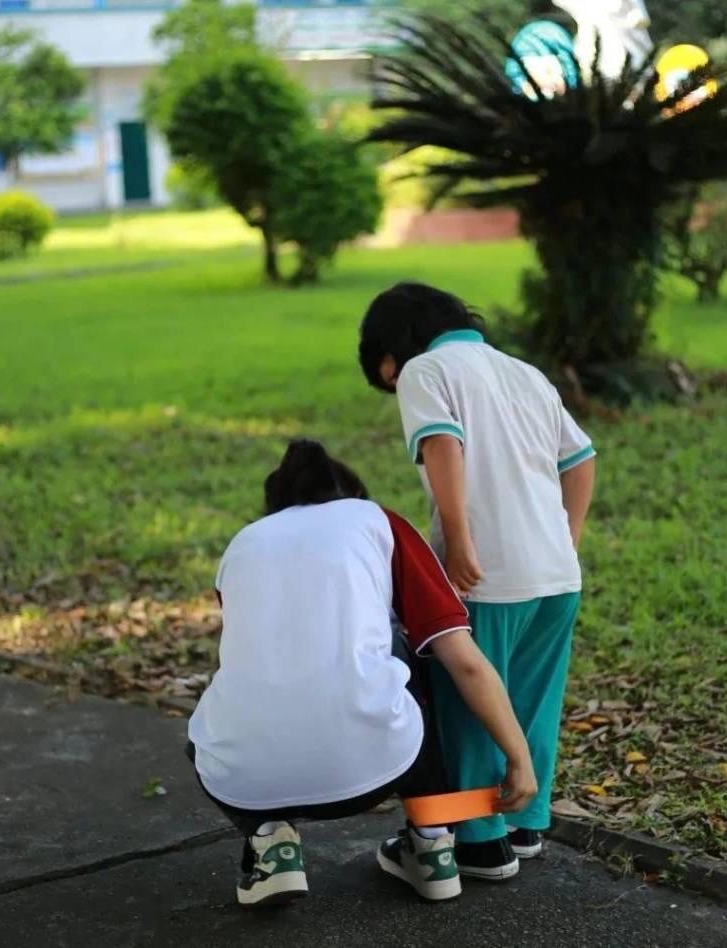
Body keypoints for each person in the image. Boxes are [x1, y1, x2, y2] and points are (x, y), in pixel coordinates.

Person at [187, 439, 538, 908]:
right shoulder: (377, 520)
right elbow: (465, 661)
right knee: (415, 651)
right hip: (383, 763)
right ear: (352, 493)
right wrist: (520, 756)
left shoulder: (243, 544)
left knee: (221, 712)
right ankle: (432, 845)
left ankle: (271, 843)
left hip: (243, 777)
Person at [358, 283, 596, 880]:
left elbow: (443, 443)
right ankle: (526, 824)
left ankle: (478, 842)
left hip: (485, 574)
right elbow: (581, 457)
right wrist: (568, 538)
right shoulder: (524, 372)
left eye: (385, 374)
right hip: (556, 574)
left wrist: (460, 541)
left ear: (396, 347)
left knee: (467, 701)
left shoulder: (425, 371)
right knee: (531, 701)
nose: (392, 386)